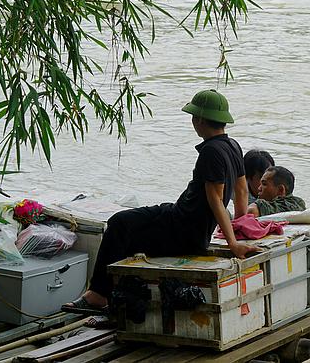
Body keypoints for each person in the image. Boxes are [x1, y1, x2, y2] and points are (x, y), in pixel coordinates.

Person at [62, 89, 259, 314]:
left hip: (182, 228)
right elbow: (242, 191)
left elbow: (215, 198)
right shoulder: (232, 145)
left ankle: (98, 295)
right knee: (128, 226)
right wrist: (240, 227)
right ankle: (111, 298)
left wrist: (233, 243)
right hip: (182, 220)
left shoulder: (211, 152)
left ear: (200, 119)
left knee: (119, 224)